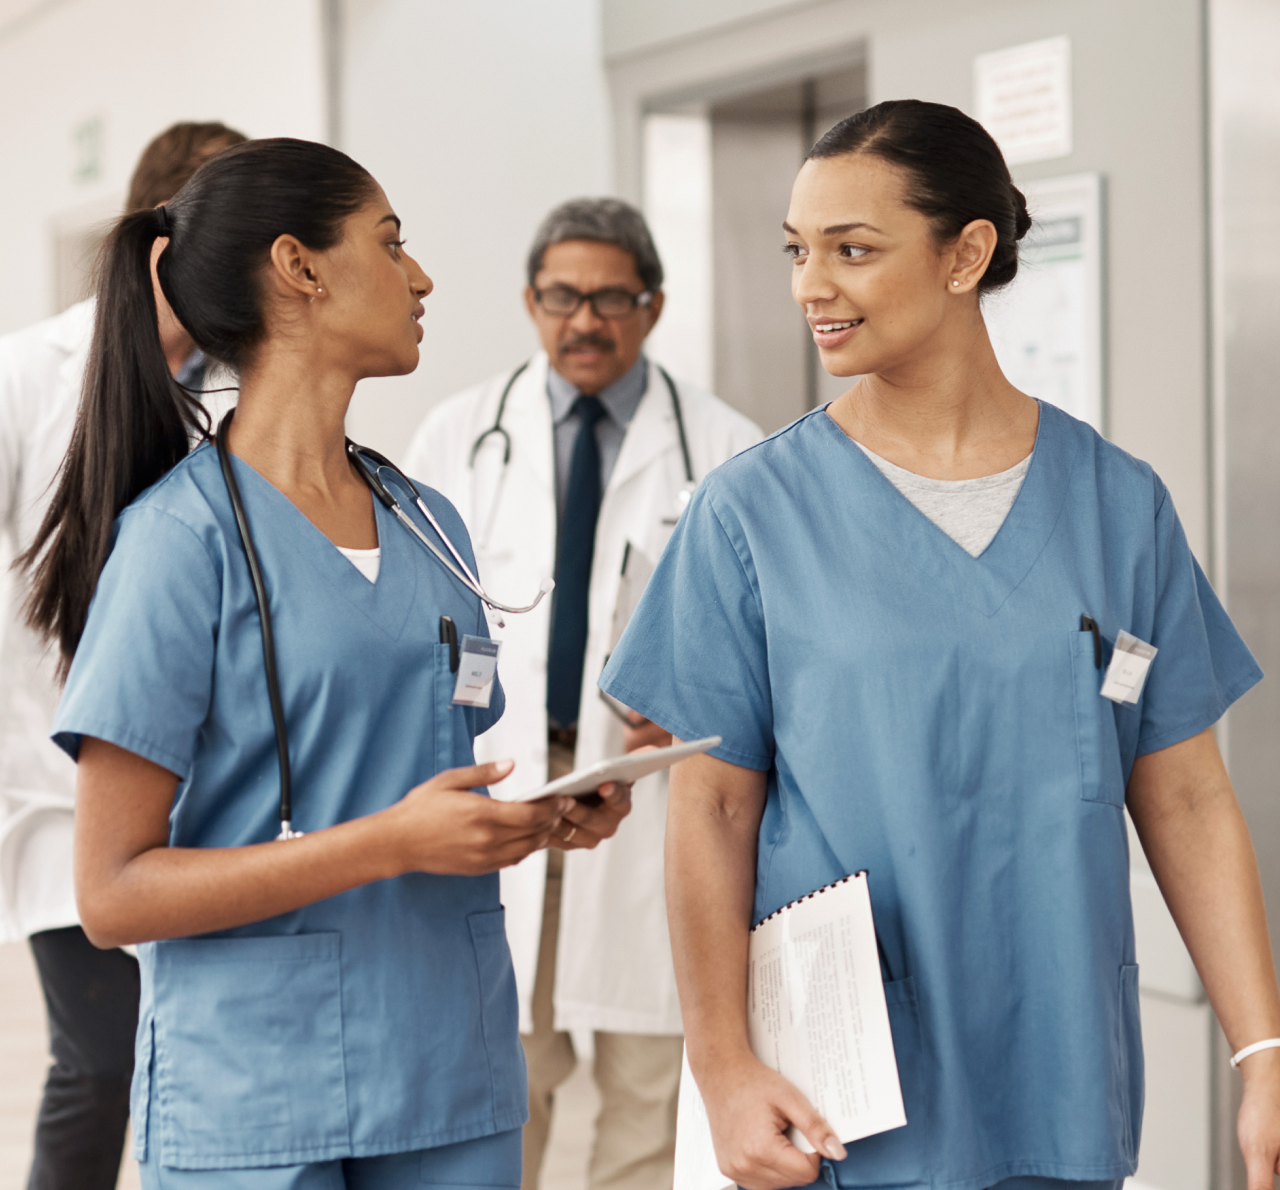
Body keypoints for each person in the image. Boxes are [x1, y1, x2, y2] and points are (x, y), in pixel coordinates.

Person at [601, 99, 1280, 1190]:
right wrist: (721, 1065)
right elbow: (712, 806)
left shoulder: (1116, 506)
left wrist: (1262, 1052)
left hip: (1057, 1073)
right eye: (795, 250)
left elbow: (1186, 794)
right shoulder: (750, 513)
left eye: (850, 249)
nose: (807, 285)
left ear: (965, 254)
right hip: (835, 1097)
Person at [20, 136, 633, 1189]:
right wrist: (390, 841)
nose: (423, 275)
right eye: (391, 243)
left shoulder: (428, 520)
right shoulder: (180, 543)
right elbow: (114, 892)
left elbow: (416, 771)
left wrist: (532, 817)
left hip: (451, 1061)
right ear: (299, 268)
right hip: (261, 1083)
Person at [405, 198, 760, 1190]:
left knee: (649, 1097)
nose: (584, 319)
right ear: (529, 301)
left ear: (651, 305)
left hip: (648, 793)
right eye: (561, 295)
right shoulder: (459, 432)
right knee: (501, 1086)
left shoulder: (726, 448)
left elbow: (768, 642)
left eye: (610, 296)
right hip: (504, 774)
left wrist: (706, 698)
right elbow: (408, 612)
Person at [0, 119, 245, 1190]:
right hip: (58, 792)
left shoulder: (243, 390)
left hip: (209, 792)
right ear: (164, 244)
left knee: (191, 1064)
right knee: (99, 1064)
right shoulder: (25, 376)